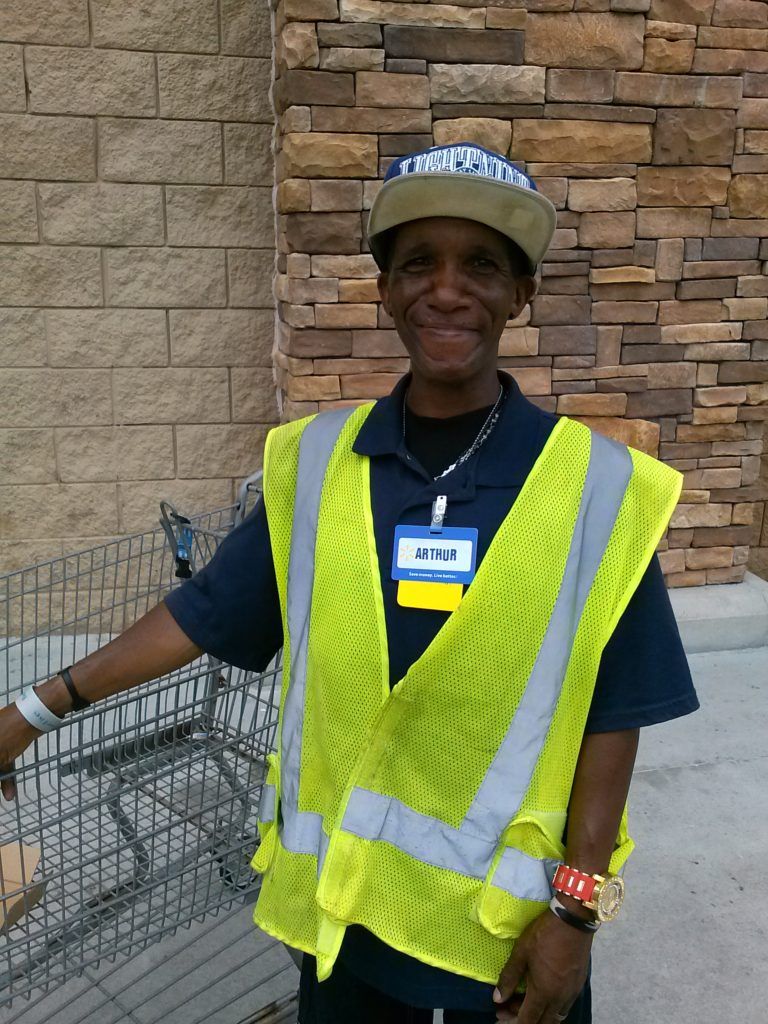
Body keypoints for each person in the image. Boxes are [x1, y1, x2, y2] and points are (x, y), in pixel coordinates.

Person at [0, 143, 698, 1024]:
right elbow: (201, 614)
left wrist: (576, 912)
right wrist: (29, 713)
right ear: (387, 291)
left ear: (521, 295)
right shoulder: (322, 466)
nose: (447, 289)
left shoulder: (600, 491)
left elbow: (615, 714)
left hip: (493, 955)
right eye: (419, 264)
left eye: (481, 264)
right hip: (338, 938)